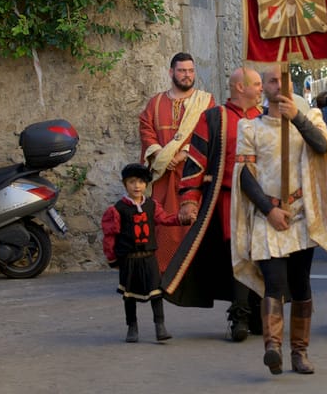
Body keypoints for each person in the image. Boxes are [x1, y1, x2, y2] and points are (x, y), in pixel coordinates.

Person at [231, 83, 327, 374]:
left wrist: (297, 118)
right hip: (268, 214)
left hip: (300, 214)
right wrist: (269, 209)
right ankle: (272, 347)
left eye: (283, 82)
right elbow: (245, 176)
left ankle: (299, 352)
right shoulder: (250, 127)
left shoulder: (310, 119)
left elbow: (323, 147)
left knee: (300, 283)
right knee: (274, 282)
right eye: (272, 81)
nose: (279, 86)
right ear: (264, 88)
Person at [161, 68, 264, 342]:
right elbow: (196, 160)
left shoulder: (265, 118)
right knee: (239, 253)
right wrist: (189, 200)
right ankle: (239, 316)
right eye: (257, 84)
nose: (262, 89)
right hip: (229, 198)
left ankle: (257, 313)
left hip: (263, 200)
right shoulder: (214, 118)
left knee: (261, 255)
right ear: (240, 87)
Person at [138, 53, 216, 272]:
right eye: (182, 71)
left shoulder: (205, 101)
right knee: (162, 224)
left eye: (190, 71)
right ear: (171, 72)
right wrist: (158, 155)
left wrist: (182, 155)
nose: (187, 75)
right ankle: (162, 272)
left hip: (191, 175)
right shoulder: (155, 103)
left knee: (191, 222)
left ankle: (190, 274)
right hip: (162, 176)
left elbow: (208, 133)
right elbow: (146, 130)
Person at [101, 164, 188, 343]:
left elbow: (164, 218)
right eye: (132, 182)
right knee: (129, 295)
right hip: (129, 259)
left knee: (156, 293)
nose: (137, 186)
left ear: (146, 184)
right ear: (125, 184)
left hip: (149, 258)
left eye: (141, 182)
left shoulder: (152, 205)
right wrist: (112, 258)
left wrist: (180, 218)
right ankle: (132, 327)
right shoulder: (117, 210)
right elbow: (110, 237)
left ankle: (160, 326)